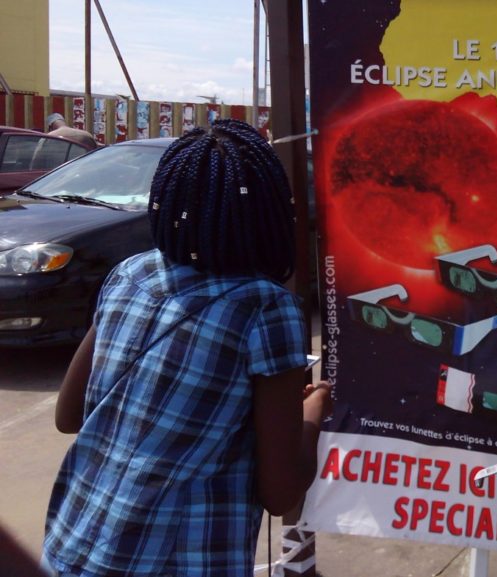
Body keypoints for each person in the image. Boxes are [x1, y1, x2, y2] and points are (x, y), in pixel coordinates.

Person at [43, 119, 331, 577]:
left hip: (73, 544)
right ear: (273, 214)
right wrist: (314, 414)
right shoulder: (265, 309)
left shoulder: (129, 274)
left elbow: (69, 416)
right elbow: (281, 493)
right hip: (176, 560)